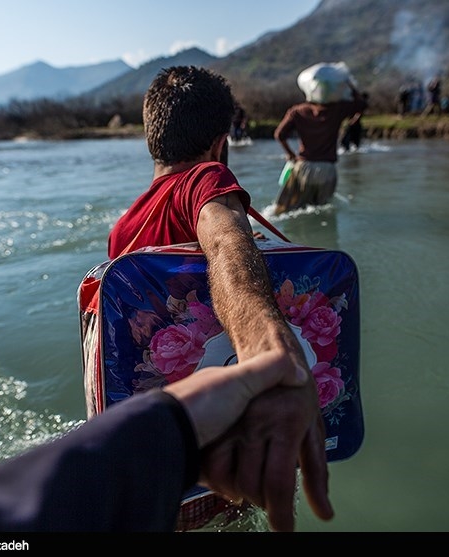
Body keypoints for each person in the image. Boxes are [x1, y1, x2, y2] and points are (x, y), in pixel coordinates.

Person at [106, 66, 329, 531]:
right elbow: (227, 240)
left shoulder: (124, 228)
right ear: (219, 142)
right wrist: (268, 348)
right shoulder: (206, 177)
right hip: (223, 432)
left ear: (153, 139)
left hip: (162, 446)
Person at [0, 350, 333, 532]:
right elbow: (223, 232)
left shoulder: (128, 224)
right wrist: (272, 340)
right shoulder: (209, 184)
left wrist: (160, 427)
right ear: (218, 149)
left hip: (142, 441)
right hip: (192, 447)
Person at [273, 81, 368, 214]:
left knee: (289, 208)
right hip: (327, 169)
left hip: (304, 167)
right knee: (321, 209)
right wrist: (348, 84)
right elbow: (362, 104)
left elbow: (279, 134)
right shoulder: (337, 109)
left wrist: (290, 154)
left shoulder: (298, 111)